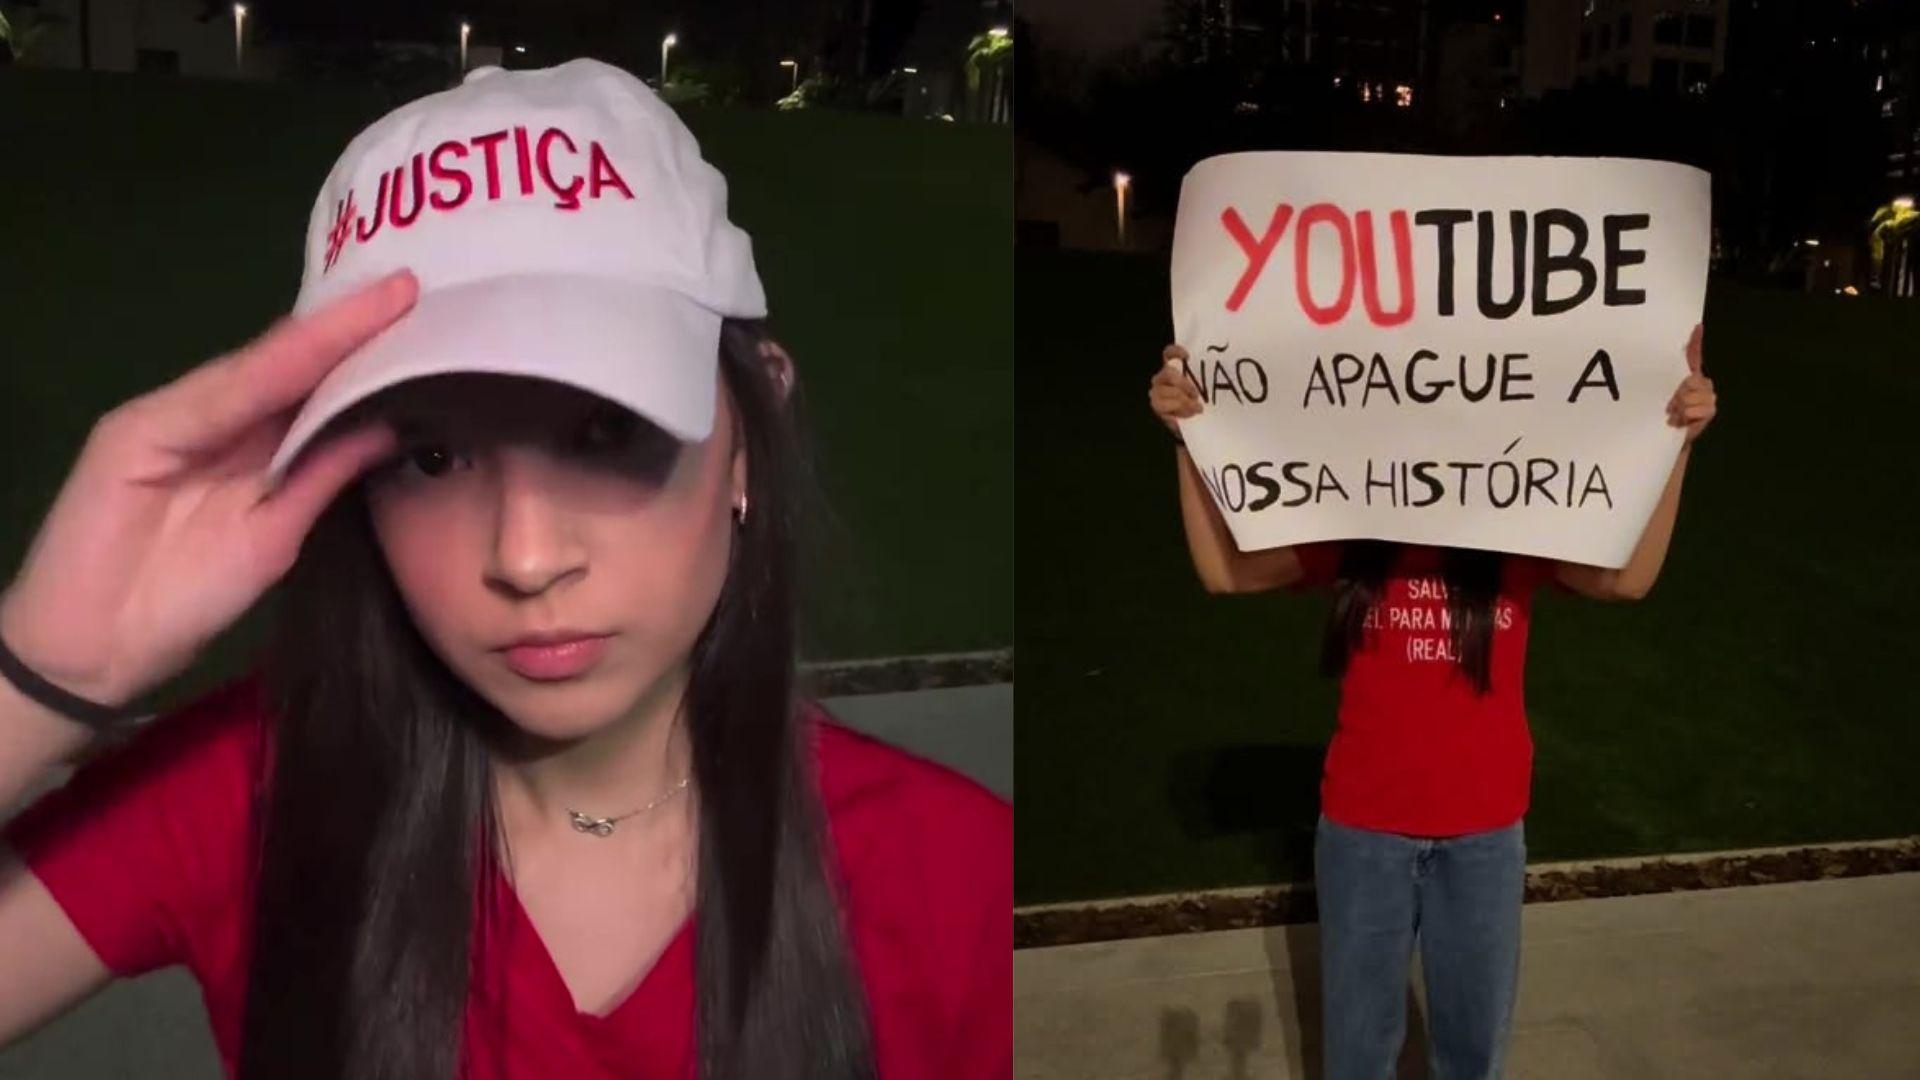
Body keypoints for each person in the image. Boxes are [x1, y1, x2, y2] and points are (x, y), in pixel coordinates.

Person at [0, 59, 1009, 1080]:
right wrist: (41, 679)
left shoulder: (958, 876)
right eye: (430, 458)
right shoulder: (253, 793)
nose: (526, 559)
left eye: (607, 428)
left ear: (749, 433)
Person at [1147, 328, 1716, 1079]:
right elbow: (1225, 571)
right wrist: (1187, 438)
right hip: (1363, 832)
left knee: (1473, 1054)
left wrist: (1678, 442)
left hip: (1483, 833)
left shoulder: (1519, 529)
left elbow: (1627, 580)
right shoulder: (1355, 531)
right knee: (1357, 1055)